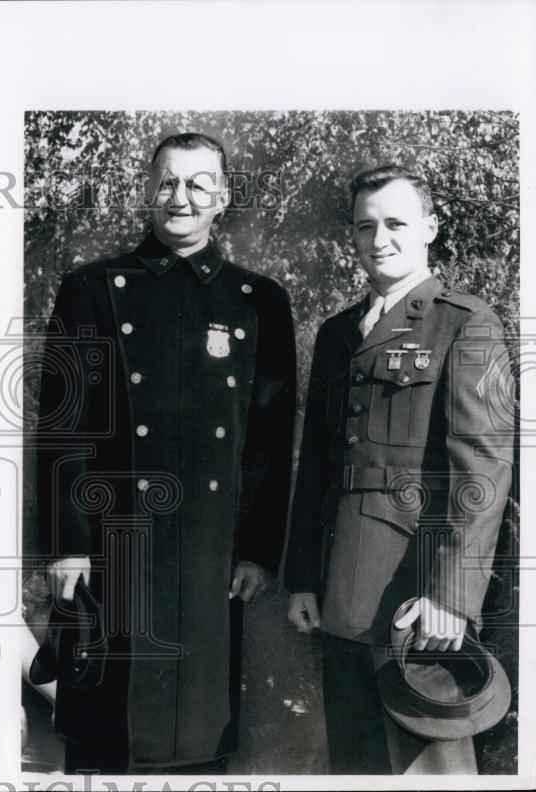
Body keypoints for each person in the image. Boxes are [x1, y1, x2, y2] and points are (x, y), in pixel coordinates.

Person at [36, 132, 296, 773]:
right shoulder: (91, 288)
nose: (181, 197)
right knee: (105, 742)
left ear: (223, 197)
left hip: (210, 559)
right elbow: (63, 429)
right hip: (114, 548)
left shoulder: (258, 301)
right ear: (148, 191)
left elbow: (267, 440)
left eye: (198, 183)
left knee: (198, 741)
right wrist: (67, 545)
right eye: (168, 182)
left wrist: (258, 551)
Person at [284, 164, 515, 773]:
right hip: (342, 596)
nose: (379, 238)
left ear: (430, 228)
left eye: (395, 223)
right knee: (356, 766)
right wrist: (304, 577)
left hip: (418, 598)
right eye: (365, 226)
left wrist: (449, 595)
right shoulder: (338, 332)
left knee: (427, 764)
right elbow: (319, 469)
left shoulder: (466, 324)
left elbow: (482, 471)